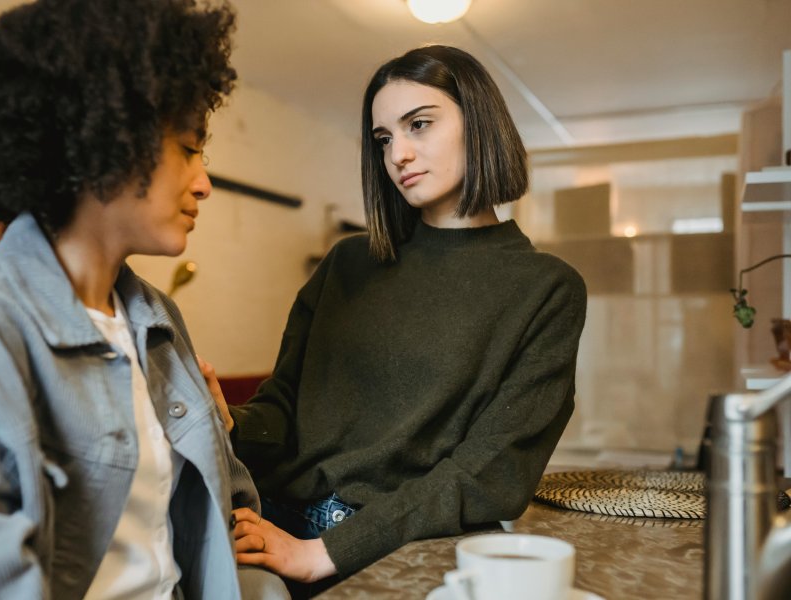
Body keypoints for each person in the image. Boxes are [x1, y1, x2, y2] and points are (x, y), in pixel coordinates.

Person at [0, 1, 287, 598]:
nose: (202, 182)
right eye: (186, 147)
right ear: (102, 141)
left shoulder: (156, 320)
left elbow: (222, 513)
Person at [203, 45, 588, 586]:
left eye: (419, 125)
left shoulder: (546, 289)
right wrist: (228, 423)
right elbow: (286, 408)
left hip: (403, 553)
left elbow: (489, 474)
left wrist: (323, 552)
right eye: (384, 139)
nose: (398, 154)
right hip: (271, 527)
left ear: (479, 123)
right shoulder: (347, 264)